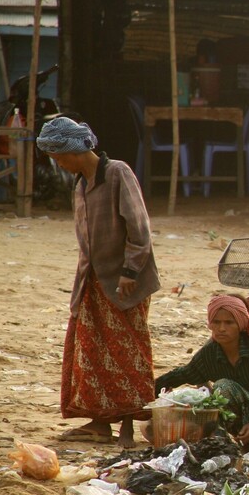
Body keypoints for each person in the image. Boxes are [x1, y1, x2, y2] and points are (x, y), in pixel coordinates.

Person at [37, 115, 160, 449]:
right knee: (91, 352)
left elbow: (139, 229)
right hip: (92, 279)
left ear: (73, 150)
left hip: (124, 280)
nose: (58, 164)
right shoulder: (80, 184)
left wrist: (130, 272)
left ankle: (129, 428)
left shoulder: (117, 173)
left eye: (58, 157)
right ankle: (101, 423)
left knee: (127, 352)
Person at [154, 294, 249, 454]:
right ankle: (235, 444)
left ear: (240, 324)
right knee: (222, 386)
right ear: (210, 325)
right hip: (242, 433)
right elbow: (184, 374)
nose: (221, 328)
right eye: (216, 322)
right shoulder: (210, 353)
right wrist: (150, 389)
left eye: (228, 323)